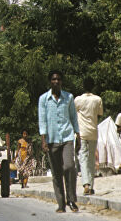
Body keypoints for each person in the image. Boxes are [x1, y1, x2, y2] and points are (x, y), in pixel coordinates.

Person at [38, 70, 80, 213]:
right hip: (51, 139)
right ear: (50, 81)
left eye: (59, 79)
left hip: (67, 137)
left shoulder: (68, 97)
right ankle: (61, 204)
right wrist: (43, 139)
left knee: (69, 167)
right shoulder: (44, 99)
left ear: (61, 81)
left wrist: (78, 135)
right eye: (53, 79)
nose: (56, 81)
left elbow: (74, 117)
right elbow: (42, 120)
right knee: (56, 173)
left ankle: (72, 200)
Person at [74, 77, 103, 196]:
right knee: (91, 159)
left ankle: (86, 184)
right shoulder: (98, 99)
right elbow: (99, 114)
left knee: (83, 158)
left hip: (82, 133)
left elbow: (74, 114)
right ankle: (91, 186)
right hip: (93, 132)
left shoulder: (78, 100)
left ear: (83, 86)